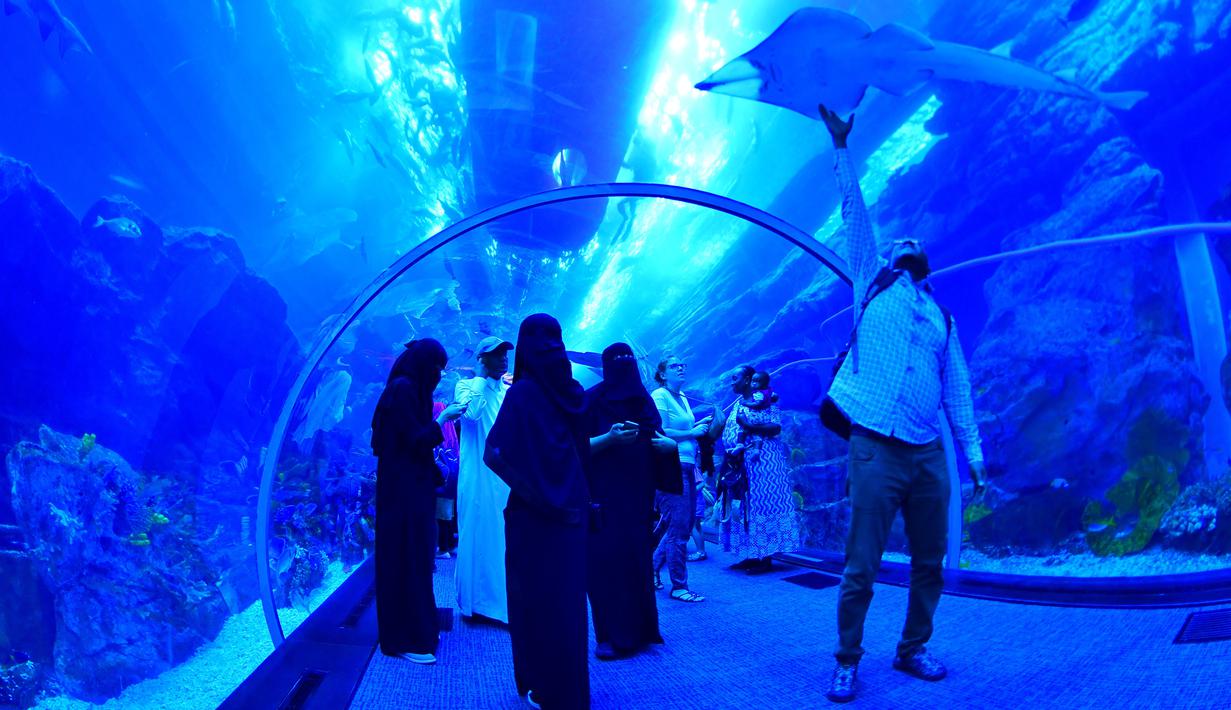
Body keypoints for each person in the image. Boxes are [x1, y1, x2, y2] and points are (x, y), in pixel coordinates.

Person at [818, 103, 989, 703]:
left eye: (918, 244)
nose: (909, 244)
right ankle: (847, 658)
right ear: (890, 258)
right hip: (874, 447)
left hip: (926, 453)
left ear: (927, 264)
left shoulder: (943, 316)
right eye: (902, 243)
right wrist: (842, 148)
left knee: (930, 561)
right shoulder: (875, 283)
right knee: (861, 563)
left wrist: (973, 454)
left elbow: (958, 389)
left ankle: (913, 647)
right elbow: (855, 218)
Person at [484, 314, 591, 710]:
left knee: (535, 599)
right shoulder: (575, 392)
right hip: (575, 512)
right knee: (568, 602)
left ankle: (542, 686)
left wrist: (534, 493)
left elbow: (494, 454)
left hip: (535, 517)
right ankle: (571, 692)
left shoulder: (523, 393)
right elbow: (583, 452)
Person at [370, 339, 465, 665]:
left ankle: (418, 627)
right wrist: (444, 419)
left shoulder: (409, 388)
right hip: (402, 496)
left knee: (417, 560)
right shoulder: (403, 389)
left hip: (411, 490)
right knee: (404, 558)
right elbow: (414, 440)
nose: (438, 374)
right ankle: (402, 637)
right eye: (436, 367)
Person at [583, 343, 678, 659]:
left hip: (638, 495)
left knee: (637, 560)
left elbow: (657, 437)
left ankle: (642, 629)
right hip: (604, 496)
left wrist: (667, 446)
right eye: (616, 361)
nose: (623, 366)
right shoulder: (591, 400)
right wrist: (609, 440)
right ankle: (609, 635)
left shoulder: (644, 400)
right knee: (605, 563)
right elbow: (574, 447)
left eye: (628, 360)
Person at [714, 365, 797, 573]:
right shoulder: (738, 403)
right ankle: (752, 553)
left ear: (749, 379)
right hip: (742, 464)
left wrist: (750, 427)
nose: (732, 382)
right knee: (745, 508)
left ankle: (765, 557)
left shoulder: (765, 399)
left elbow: (775, 426)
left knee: (762, 505)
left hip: (763, 463)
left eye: (735, 378)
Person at [454, 335, 514, 623]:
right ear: (482, 359)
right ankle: (475, 604)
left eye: (505, 353)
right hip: (477, 475)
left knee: (501, 537)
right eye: (495, 354)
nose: (503, 358)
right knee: (477, 532)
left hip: (504, 476)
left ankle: (500, 606)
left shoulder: (508, 390)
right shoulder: (465, 386)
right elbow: (473, 414)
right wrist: (479, 377)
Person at [650, 355, 712, 603]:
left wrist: (700, 427)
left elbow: (686, 432)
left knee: (681, 525)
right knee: (679, 528)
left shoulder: (683, 397)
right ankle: (679, 586)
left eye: (683, 365)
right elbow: (660, 431)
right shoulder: (659, 396)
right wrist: (692, 432)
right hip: (670, 465)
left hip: (686, 464)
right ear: (663, 374)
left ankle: (652, 569)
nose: (681, 368)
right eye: (675, 366)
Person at [431, 401, 461, 559]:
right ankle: (451, 544)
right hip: (453, 475)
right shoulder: (452, 432)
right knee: (449, 512)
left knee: (441, 512)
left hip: (443, 476)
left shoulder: (438, 427)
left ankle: (443, 548)